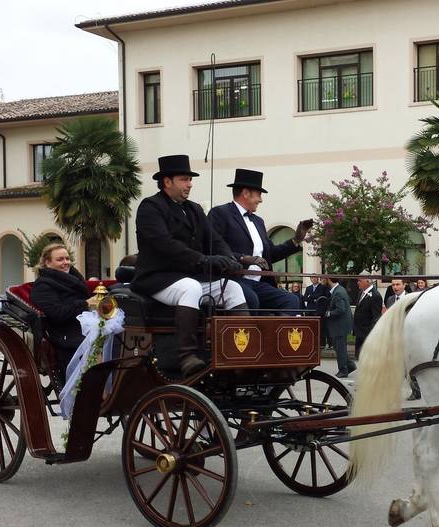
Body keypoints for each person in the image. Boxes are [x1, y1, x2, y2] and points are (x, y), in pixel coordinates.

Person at [132, 154, 249, 376]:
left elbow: (214, 239)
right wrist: (203, 260)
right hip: (158, 279)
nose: (190, 184)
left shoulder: (194, 209)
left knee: (232, 288)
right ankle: (186, 356)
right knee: (190, 288)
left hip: (189, 277)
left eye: (190, 179)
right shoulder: (150, 208)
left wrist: (228, 259)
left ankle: (239, 351)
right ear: (167, 182)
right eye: (184, 179)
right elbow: (164, 244)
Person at [207, 169, 310, 313]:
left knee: (292, 300)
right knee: (251, 298)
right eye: (259, 194)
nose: (261, 200)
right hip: (234, 279)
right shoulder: (220, 213)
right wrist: (244, 258)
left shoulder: (258, 221)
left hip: (259, 283)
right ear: (245, 193)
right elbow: (213, 248)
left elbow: (270, 255)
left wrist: (296, 240)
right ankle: (254, 335)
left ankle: (276, 335)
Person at [30, 243, 98, 381]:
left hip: (82, 326)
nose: (66, 262)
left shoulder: (73, 279)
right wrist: (85, 303)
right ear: (47, 263)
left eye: (67, 258)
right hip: (65, 334)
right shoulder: (43, 285)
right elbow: (57, 314)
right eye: (60, 259)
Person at [324, 277, 356, 378]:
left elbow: (340, 309)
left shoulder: (338, 292)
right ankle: (350, 366)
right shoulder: (340, 289)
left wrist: (329, 313)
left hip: (340, 325)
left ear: (329, 280)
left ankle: (343, 370)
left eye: (324, 279)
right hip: (342, 325)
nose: (322, 281)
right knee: (340, 348)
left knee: (340, 348)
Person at [353, 272, 382, 361]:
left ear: (368, 281)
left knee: (367, 358)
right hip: (359, 332)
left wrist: (371, 335)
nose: (358, 283)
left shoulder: (375, 296)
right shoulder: (361, 292)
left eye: (360, 281)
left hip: (367, 333)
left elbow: (376, 317)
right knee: (359, 356)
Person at [303, 276, 332, 348]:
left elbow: (320, 296)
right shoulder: (308, 288)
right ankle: (311, 343)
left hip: (319, 310)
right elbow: (305, 298)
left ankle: (321, 344)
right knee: (310, 328)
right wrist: (313, 299)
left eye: (315, 277)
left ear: (318, 278)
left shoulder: (322, 287)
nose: (314, 279)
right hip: (309, 311)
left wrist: (311, 297)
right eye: (312, 278)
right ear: (310, 279)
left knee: (320, 328)